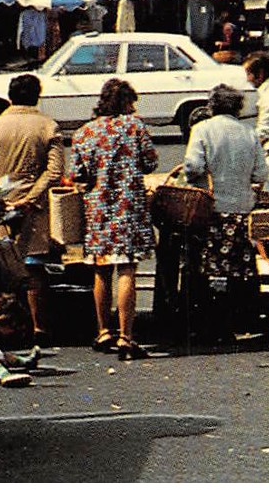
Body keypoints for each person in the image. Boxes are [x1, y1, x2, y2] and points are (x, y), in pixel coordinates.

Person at [71, 78, 159, 360]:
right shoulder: (135, 127)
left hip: (97, 207)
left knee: (101, 269)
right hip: (128, 205)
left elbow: (79, 174)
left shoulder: (84, 132)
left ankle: (103, 331)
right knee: (126, 269)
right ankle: (126, 336)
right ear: (125, 102)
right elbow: (150, 162)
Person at [0, 73, 64, 344]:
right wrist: (30, 197)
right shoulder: (48, 126)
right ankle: (38, 327)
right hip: (33, 207)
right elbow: (55, 171)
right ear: (37, 96)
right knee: (33, 267)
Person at [182, 84, 269, 343]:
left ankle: (213, 325)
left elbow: (193, 166)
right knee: (241, 268)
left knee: (211, 268)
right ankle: (241, 321)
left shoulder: (202, 129)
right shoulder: (249, 133)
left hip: (212, 209)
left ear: (212, 106)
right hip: (242, 209)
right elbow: (261, 174)